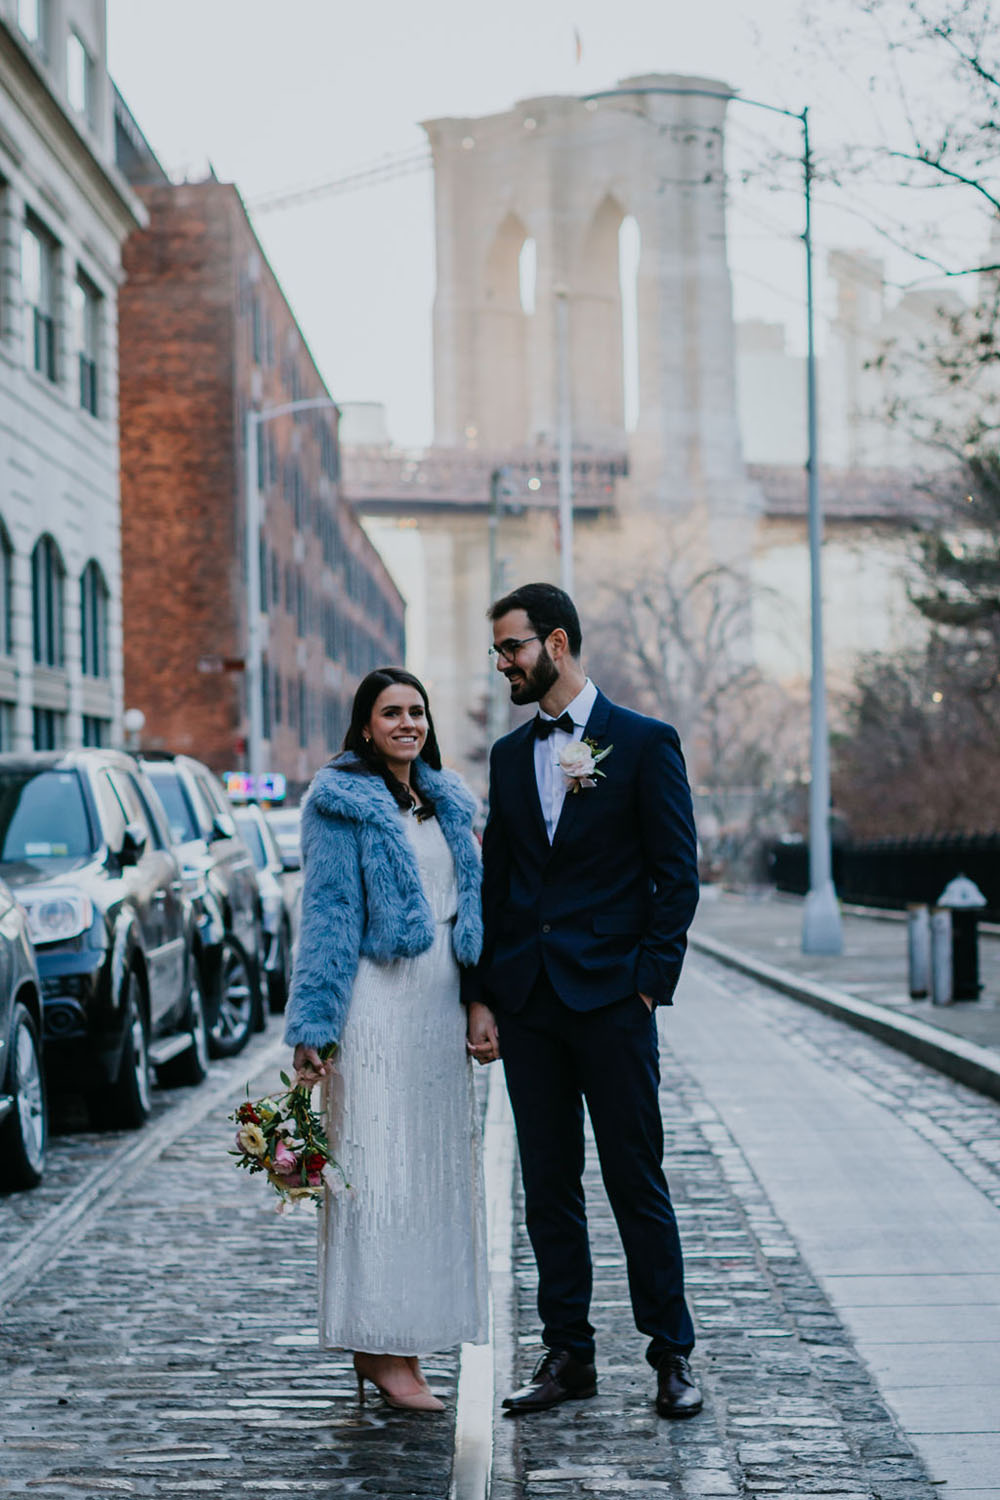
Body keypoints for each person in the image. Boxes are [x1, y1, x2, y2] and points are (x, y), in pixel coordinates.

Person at [478, 582, 701, 1419]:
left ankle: (672, 1354)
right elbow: (497, 885)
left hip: (612, 1001)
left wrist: (647, 986)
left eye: (513, 648)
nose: (503, 663)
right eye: (499, 651)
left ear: (558, 643)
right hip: (530, 1004)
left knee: (636, 1179)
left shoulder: (643, 743)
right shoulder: (507, 756)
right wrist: (484, 994)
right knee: (549, 1187)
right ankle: (568, 1355)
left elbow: (677, 876)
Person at [284, 667, 498, 1412]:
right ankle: (377, 1348)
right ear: (365, 726)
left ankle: (404, 1339)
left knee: (431, 1176)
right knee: (376, 1172)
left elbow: (474, 911)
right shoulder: (340, 803)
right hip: (374, 1003)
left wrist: (479, 1003)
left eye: (416, 711)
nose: (407, 723)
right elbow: (329, 917)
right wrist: (315, 1027)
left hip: (440, 1002)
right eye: (390, 713)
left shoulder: (446, 801)